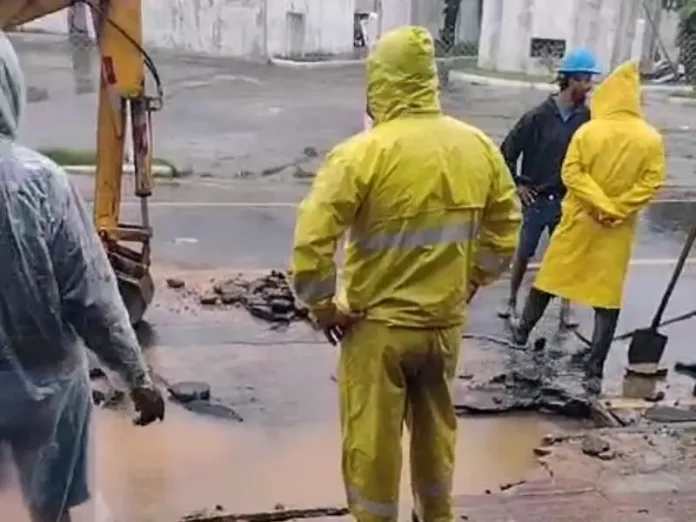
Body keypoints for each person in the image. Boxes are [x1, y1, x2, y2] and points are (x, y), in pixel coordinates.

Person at [290, 26, 521, 522]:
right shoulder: (477, 146)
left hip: (378, 330)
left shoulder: (360, 154)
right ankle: (435, 515)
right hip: (442, 327)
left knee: (373, 442)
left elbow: (311, 246)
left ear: (380, 84)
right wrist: (473, 280)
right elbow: (506, 228)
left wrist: (324, 308)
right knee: (437, 435)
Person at [0, 32, 164, 522]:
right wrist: (137, 379)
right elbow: (91, 295)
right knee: (51, 512)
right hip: (48, 392)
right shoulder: (41, 183)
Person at [512, 59, 666, 394]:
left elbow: (572, 173)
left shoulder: (588, 131)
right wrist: (618, 209)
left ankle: (521, 334)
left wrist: (599, 204)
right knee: (606, 300)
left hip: (580, 223)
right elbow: (651, 182)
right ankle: (593, 371)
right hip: (616, 230)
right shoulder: (650, 139)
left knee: (550, 280)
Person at [498, 48, 601, 326]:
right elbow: (507, 152)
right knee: (525, 251)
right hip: (536, 198)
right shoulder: (537, 116)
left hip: (568, 199)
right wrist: (518, 184)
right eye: (584, 79)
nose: (589, 86)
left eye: (590, 79)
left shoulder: (587, 119)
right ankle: (511, 301)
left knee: (566, 254)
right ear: (568, 80)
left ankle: (566, 309)